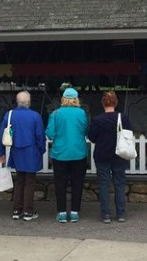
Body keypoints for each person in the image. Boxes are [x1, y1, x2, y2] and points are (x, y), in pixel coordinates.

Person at [0, 91, 46, 221]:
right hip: (31, 151)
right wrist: (42, 150)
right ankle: (28, 211)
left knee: (19, 180)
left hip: (16, 151)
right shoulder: (35, 116)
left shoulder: (9, 115)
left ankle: (17, 209)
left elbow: (1, 134)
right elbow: (40, 136)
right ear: (28, 102)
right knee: (30, 181)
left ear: (17, 101)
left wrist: (1, 152)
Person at [46, 87, 89, 223]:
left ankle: (62, 212)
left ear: (63, 99)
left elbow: (50, 134)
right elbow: (85, 130)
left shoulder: (56, 114)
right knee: (77, 183)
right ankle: (75, 212)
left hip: (60, 154)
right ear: (76, 100)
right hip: (78, 153)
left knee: (60, 184)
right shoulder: (82, 113)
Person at [88, 90, 132, 223]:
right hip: (120, 154)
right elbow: (129, 133)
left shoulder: (97, 120)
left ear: (103, 103)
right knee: (119, 183)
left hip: (102, 154)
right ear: (116, 103)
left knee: (103, 184)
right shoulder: (123, 118)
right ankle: (121, 213)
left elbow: (92, 137)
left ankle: (106, 214)